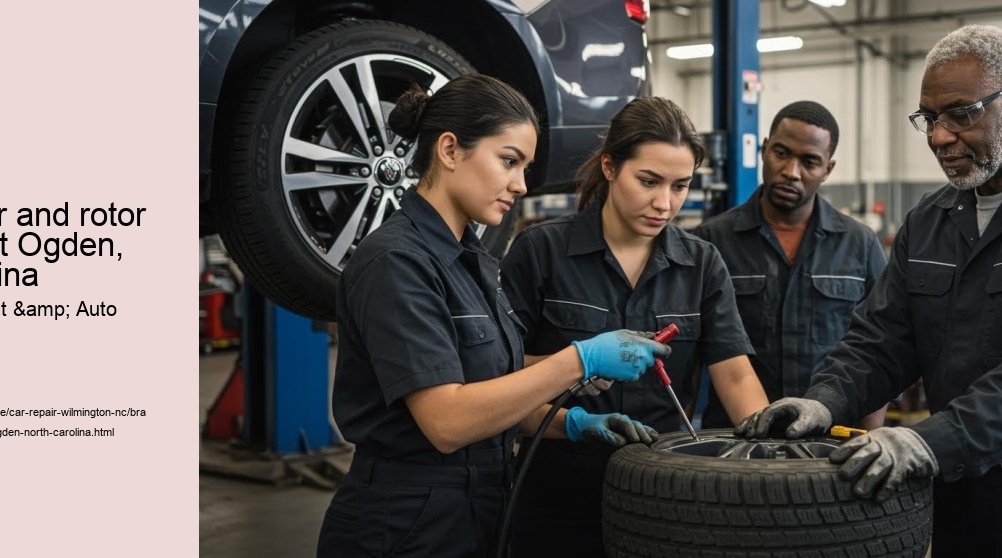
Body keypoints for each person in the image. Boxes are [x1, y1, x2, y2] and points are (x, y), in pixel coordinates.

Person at [737, 24, 1002, 557]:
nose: (938, 137)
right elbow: (881, 340)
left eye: (960, 114)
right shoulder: (930, 219)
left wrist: (928, 440)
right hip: (962, 490)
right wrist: (825, 402)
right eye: (929, 119)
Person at [316, 74, 671, 558]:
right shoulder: (397, 263)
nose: (521, 184)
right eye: (509, 161)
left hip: (475, 506)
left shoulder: (470, 260)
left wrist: (569, 422)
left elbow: (489, 388)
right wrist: (578, 360)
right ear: (449, 149)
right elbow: (448, 421)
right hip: (405, 521)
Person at [499, 96, 770, 557]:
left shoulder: (700, 263)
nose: (664, 203)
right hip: (554, 488)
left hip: (661, 492)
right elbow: (502, 377)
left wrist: (770, 462)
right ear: (609, 166)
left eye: (680, 186)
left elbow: (736, 374)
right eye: (648, 181)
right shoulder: (540, 251)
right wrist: (575, 410)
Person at [692, 101, 888, 430]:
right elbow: (691, 360)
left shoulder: (861, 244)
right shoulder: (712, 242)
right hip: (735, 441)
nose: (791, 172)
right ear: (765, 150)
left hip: (832, 440)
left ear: (828, 169)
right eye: (781, 153)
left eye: (809, 162)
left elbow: (880, 352)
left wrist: (868, 439)